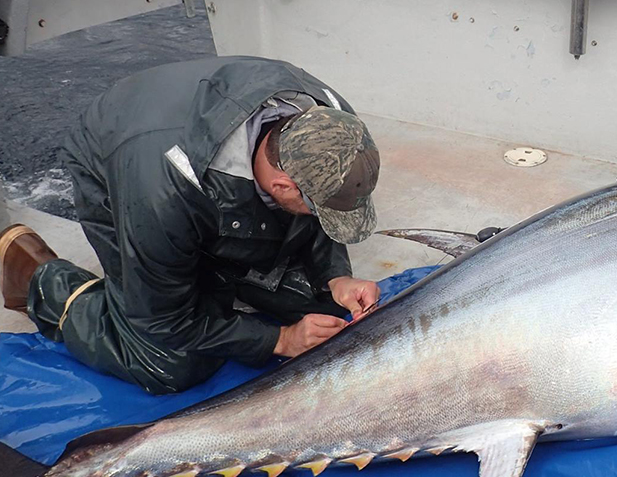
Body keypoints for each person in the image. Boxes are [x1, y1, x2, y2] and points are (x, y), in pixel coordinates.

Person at [0, 56, 383, 394]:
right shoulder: (160, 194)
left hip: (204, 163)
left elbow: (323, 201)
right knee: (171, 363)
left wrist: (336, 278)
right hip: (122, 165)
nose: (319, 217)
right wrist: (279, 340)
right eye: (316, 209)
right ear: (282, 185)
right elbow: (163, 321)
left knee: (321, 306)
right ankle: (36, 275)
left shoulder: (333, 121)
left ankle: (220, 266)